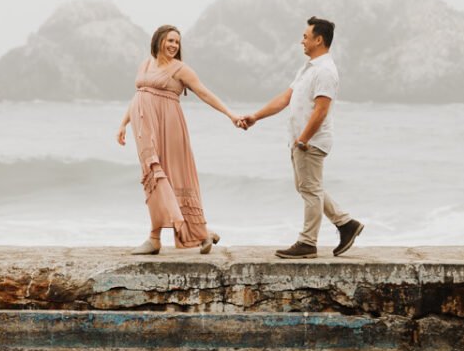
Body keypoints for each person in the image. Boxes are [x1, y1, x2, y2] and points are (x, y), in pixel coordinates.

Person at [236, 16, 363, 258]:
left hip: (311, 141)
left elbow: (321, 110)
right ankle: (346, 224)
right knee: (307, 187)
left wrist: (304, 139)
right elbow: (285, 99)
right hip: (301, 140)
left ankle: (307, 243)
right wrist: (255, 117)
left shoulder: (325, 71)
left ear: (319, 39)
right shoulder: (308, 69)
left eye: (305, 37)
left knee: (310, 189)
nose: (301, 41)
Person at [116, 25, 240, 254]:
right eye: (170, 40)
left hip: (169, 127)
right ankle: (190, 234)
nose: (174, 45)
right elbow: (138, 96)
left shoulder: (180, 69)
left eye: (177, 42)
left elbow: (204, 93)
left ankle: (168, 236)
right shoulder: (145, 64)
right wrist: (124, 123)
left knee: (175, 177)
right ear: (158, 40)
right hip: (145, 127)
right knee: (152, 176)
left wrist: (230, 114)